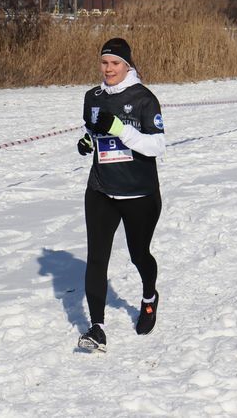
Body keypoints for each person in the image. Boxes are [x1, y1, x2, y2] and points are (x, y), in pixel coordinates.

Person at [76, 37, 166, 352]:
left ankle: (149, 297)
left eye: (115, 63)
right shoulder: (92, 97)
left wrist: (120, 129)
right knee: (96, 259)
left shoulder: (144, 99)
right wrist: (87, 141)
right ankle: (97, 328)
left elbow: (157, 146)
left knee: (138, 254)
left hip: (140, 193)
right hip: (101, 189)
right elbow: (93, 130)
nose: (109, 69)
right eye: (104, 63)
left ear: (127, 65)